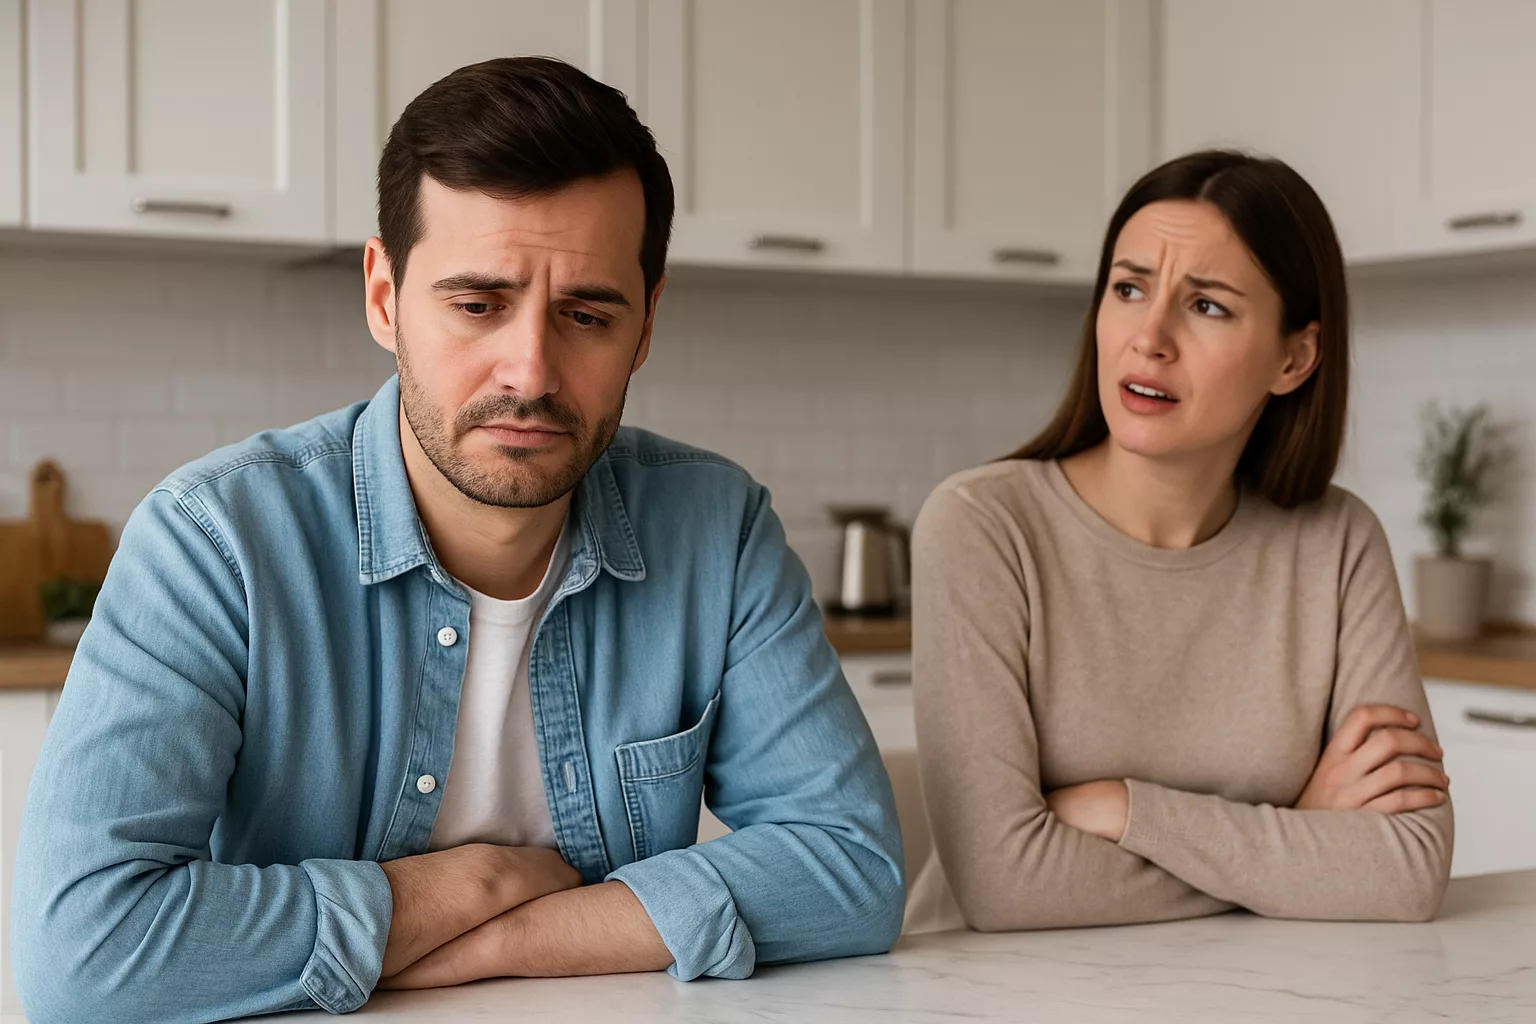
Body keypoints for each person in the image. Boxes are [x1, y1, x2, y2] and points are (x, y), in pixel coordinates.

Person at [12, 57, 904, 1024]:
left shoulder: (717, 529)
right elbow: (83, 951)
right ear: (384, 297)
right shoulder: (214, 543)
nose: (531, 371)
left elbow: (853, 863)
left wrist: (509, 939)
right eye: (478, 305)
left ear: (646, 326)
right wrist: (470, 885)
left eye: (587, 315)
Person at [905, 150, 1453, 934]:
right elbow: (1005, 888)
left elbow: (1407, 870)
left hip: (1249, 985)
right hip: (995, 985)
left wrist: (1125, 809)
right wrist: (1301, 834)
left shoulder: (1337, 542)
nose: (1150, 338)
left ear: (1294, 358)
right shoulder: (982, 526)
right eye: (1129, 289)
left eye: (1207, 306)